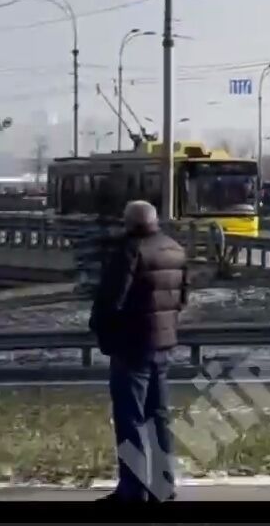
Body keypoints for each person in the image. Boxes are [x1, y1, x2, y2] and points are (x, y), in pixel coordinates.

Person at [89, 200, 189, 503]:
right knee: (159, 417)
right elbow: (182, 298)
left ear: (129, 223)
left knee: (130, 417)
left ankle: (133, 490)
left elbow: (110, 300)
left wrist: (103, 332)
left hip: (131, 347)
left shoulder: (130, 251)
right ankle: (164, 485)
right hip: (162, 345)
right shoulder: (175, 248)